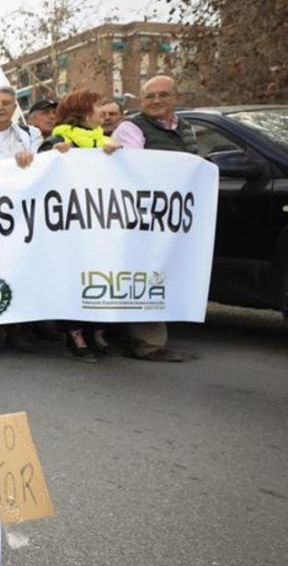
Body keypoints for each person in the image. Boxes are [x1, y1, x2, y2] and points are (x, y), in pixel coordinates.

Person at [109, 75, 195, 363]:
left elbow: (194, 166)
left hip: (173, 215)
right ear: (141, 101)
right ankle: (148, 343)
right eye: (149, 96)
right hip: (141, 215)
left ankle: (135, 337)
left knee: (164, 270)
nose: (156, 101)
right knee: (146, 273)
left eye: (163, 95)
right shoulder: (131, 128)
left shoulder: (186, 129)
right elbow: (138, 168)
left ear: (176, 97)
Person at [41, 89, 122, 361]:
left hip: (100, 223)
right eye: (98, 107)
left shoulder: (105, 141)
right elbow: (40, 169)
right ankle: (74, 334)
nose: (103, 113)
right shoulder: (59, 138)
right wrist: (53, 154)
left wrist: (115, 155)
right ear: (83, 112)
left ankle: (97, 331)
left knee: (100, 276)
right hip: (70, 225)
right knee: (74, 278)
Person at [0, 86, 42, 354]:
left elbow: (46, 164)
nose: (0, 107)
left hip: (23, 215)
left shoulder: (31, 135)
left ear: (14, 107)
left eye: (6, 103)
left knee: (22, 270)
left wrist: (34, 159)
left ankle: (20, 330)